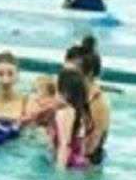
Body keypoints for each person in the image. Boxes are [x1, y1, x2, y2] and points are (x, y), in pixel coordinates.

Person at [64, 35, 112, 163]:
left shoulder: (98, 102)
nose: (66, 77)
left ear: (89, 74)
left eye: (72, 73)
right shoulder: (67, 89)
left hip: (89, 160)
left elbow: (93, 146)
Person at [46, 68, 99, 172]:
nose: (55, 95)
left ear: (65, 93)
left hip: (68, 164)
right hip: (79, 164)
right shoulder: (82, 113)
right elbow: (81, 145)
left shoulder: (64, 113)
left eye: (56, 91)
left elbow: (64, 145)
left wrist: (59, 171)